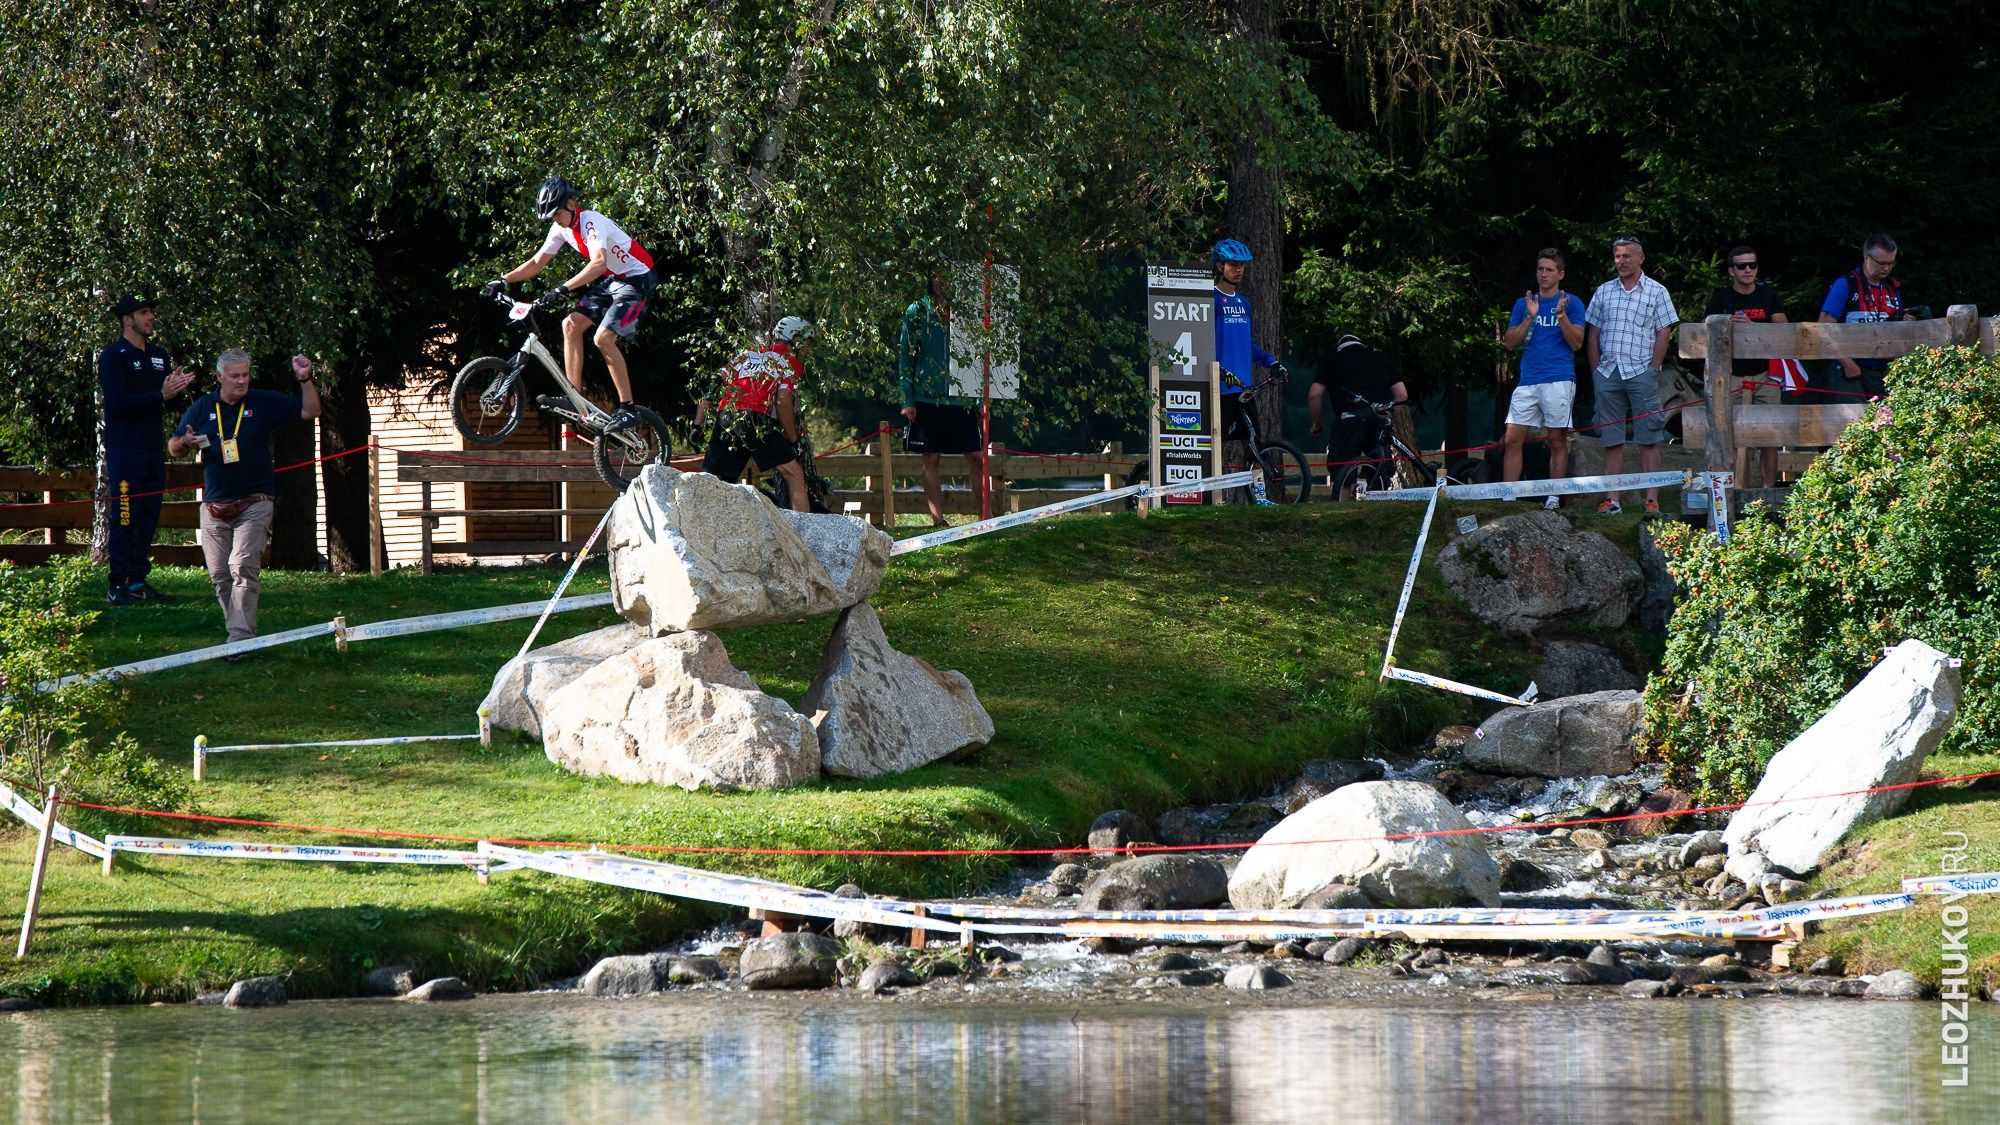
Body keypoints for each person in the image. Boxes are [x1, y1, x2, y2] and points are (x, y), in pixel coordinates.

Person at [167, 350, 320, 652]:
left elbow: (310, 411)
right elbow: (173, 447)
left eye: (245, 375)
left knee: (242, 566)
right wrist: (185, 441)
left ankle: (239, 640)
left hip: (255, 501)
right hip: (214, 505)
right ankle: (240, 630)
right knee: (219, 575)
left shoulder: (262, 402)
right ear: (219, 377)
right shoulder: (203, 407)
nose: (241, 381)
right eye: (235, 376)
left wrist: (305, 379)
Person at [484, 175, 655, 433]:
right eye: (551, 217)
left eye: (557, 214)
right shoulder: (560, 228)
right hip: (617, 278)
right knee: (570, 324)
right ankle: (574, 397)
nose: (555, 220)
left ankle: (628, 408)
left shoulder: (592, 222)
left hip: (639, 279)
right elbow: (536, 263)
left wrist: (561, 289)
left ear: (572, 205)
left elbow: (599, 263)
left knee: (603, 339)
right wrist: (503, 279)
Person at [98, 295, 195, 605]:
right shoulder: (113, 356)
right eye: (143, 312)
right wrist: (160, 394)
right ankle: (117, 585)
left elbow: (166, 402)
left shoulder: (159, 355)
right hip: (125, 448)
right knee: (126, 515)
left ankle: (138, 581)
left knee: (149, 515)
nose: (150, 317)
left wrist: (177, 391)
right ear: (127, 320)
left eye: (151, 311)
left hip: (153, 448)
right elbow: (118, 403)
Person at [1584, 236, 1678, 515]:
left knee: (1649, 436)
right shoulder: (1604, 291)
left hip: (1641, 372)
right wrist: (1596, 371)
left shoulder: (1657, 291)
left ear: (1641, 258)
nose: (1621, 261)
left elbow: (1664, 331)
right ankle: (1612, 500)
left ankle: (1651, 500)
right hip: (1608, 372)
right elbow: (1593, 334)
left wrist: (1654, 368)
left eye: (1627, 256)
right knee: (1611, 438)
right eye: (1617, 256)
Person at [694, 319, 811, 513]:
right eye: (806, 342)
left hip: (726, 416)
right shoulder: (790, 363)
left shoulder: (746, 354)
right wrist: (792, 440)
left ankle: (696, 520)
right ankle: (804, 527)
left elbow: (713, 385)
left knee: (715, 479)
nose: (808, 349)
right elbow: (782, 402)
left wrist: (697, 425)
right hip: (755, 418)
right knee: (794, 474)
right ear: (795, 339)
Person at [1499, 249, 1586, 508]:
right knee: (1512, 438)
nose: (1543, 274)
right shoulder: (1524, 303)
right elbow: (1510, 343)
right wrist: (1529, 316)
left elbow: (1577, 343)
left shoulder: (1572, 302)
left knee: (1556, 440)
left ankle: (1553, 498)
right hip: (1528, 380)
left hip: (1558, 379)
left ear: (1560, 274)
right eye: (1540, 269)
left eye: (1549, 270)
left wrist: (1560, 315)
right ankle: (1508, 496)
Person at [899, 270, 986, 526]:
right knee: (931, 458)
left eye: (947, 276)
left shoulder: (967, 310)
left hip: (961, 397)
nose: (942, 281)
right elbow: (906, 356)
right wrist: (907, 399)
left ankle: (986, 517)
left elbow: (976, 356)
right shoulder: (917, 310)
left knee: (977, 457)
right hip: (926, 397)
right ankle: (938, 521)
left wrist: (978, 400)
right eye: (937, 276)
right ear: (931, 278)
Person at [1705, 245, 1790, 487]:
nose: (1748, 270)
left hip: (1765, 374)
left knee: (1770, 437)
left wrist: (1753, 327)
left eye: (1752, 265)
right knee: (1729, 436)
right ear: (1731, 271)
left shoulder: (1769, 296)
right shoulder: (1720, 298)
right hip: (1730, 375)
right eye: (1742, 265)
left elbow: (1784, 331)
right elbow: (1704, 330)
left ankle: (1768, 491)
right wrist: (1726, 325)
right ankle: (1732, 491)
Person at [1212, 239, 1288, 504]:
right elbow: (1203, 343)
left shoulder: (1243, 303)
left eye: (1242, 265)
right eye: (1233, 265)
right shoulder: (1210, 299)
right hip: (1220, 387)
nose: (1239, 270)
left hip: (1244, 387)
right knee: (1217, 445)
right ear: (1220, 266)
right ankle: (1215, 498)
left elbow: (1249, 345)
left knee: (1254, 444)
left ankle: (1259, 497)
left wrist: (1272, 362)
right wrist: (1219, 371)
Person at [1818, 233, 1908, 399]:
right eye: (1881, 263)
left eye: (1891, 263)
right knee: (1853, 414)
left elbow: (1899, 324)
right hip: (1850, 366)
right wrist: (1846, 362)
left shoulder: (1892, 287)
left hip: (1886, 368)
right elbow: (1824, 328)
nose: (1886, 268)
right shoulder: (1846, 284)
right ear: (1866, 258)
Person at [1308, 335, 1406, 486]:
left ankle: (1342, 499)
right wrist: (1389, 419)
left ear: (1340, 349)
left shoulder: (1331, 360)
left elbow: (1314, 395)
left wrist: (1317, 424)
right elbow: (1402, 395)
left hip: (1349, 418)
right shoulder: (1381, 358)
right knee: (1379, 471)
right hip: (1380, 416)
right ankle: (1377, 496)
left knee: (1343, 475)